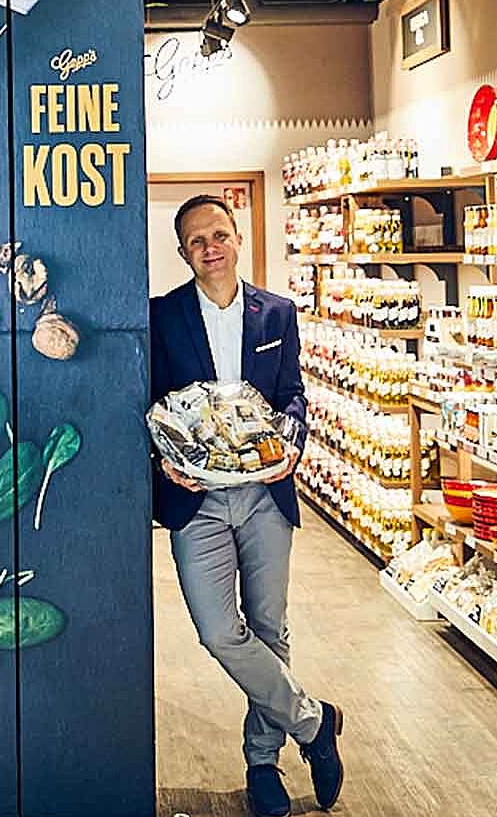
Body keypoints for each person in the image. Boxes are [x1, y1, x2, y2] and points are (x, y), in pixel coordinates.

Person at [150, 195, 343, 817]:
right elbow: (149, 404)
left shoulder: (276, 313)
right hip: (197, 500)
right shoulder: (161, 316)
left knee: (268, 627)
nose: (211, 246)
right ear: (183, 253)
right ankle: (314, 725)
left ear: (238, 239)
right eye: (197, 240)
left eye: (220, 234)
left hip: (265, 493)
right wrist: (163, 460)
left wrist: (290, 445)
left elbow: (293, 397)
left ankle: (263, 765)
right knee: (218, 630)